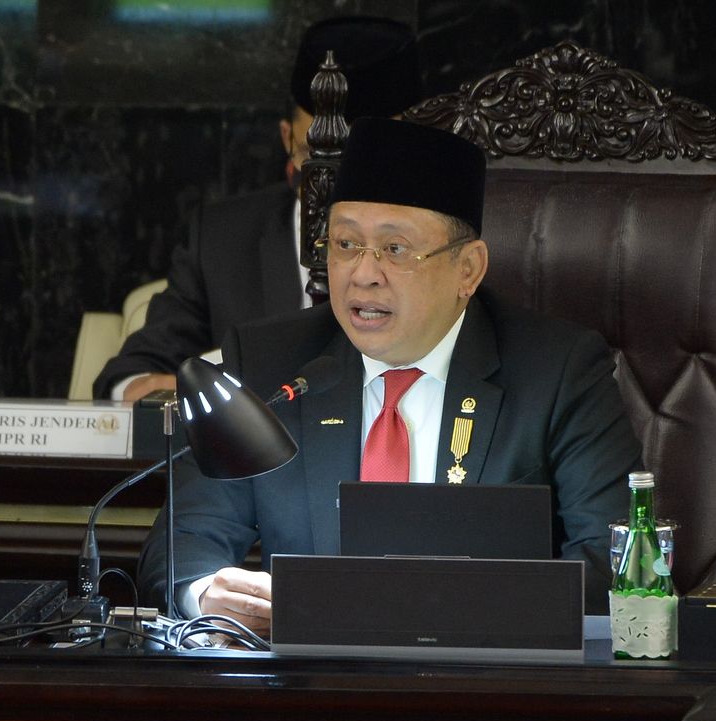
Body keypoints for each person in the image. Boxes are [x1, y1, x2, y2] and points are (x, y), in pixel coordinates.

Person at [137, 118, 643, 631]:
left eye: (394, 249)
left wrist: (439, 612)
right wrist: (205, 595)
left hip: (487, 689)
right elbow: (183, 542)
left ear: (468, 269)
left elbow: (616, 562)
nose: (363, 274)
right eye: (345, 245)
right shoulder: (272, 364)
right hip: (309, 693)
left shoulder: (557, 370)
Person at [92, 16, 422, 402]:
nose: (337, 185)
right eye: (317, 156)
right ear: (288, 138)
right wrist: (180, 389)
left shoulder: (459, 237)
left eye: (363, 161)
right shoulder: (223, 239)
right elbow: (130, 377)